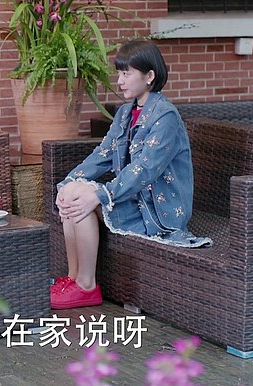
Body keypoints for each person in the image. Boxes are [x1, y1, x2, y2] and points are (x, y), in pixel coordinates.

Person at [51, 40, 211, 310]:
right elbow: (103, 154)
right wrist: (67, 183)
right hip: (133, 198)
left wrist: (102, 194)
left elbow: (145, 170)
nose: (120, 81)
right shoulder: (125, 113)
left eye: (127, 74)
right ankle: (74, 278)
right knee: (72, 194)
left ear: (149, 76)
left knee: (83, 199)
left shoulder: (166, 117)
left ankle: (87, 285)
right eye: (119, 73)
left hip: (158, 209)